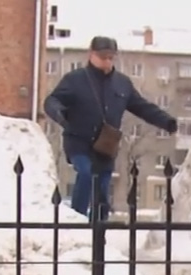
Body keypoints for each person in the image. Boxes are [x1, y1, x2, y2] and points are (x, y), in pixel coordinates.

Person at [43, 36, 178, 220]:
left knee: (103, 188)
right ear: (91, 55)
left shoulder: (122, 83)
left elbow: (142, 106)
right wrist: (59, 113)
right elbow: (52, 100)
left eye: (110, 57)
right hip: (79, 141)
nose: (107, 61)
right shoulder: (75, 80)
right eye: (102, 56)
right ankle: (76, 220)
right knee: (85, 172)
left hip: (106, 145)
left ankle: (99, 230)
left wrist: (166, 122)